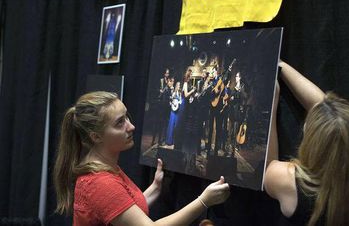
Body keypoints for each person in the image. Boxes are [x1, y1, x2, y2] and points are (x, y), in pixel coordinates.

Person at [53, 91, 230, 226]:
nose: (131, 126)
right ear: (96, 137)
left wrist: (155, 187)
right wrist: (203, 201)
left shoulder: (104, 166)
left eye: (127, 117)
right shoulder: (100, 183)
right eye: (119, 123)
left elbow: (123, 209)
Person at [264, 61, 349, 226]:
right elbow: (328, 111)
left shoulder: (290, 182)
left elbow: (267, 168)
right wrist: (279, 65)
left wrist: (271, 104)